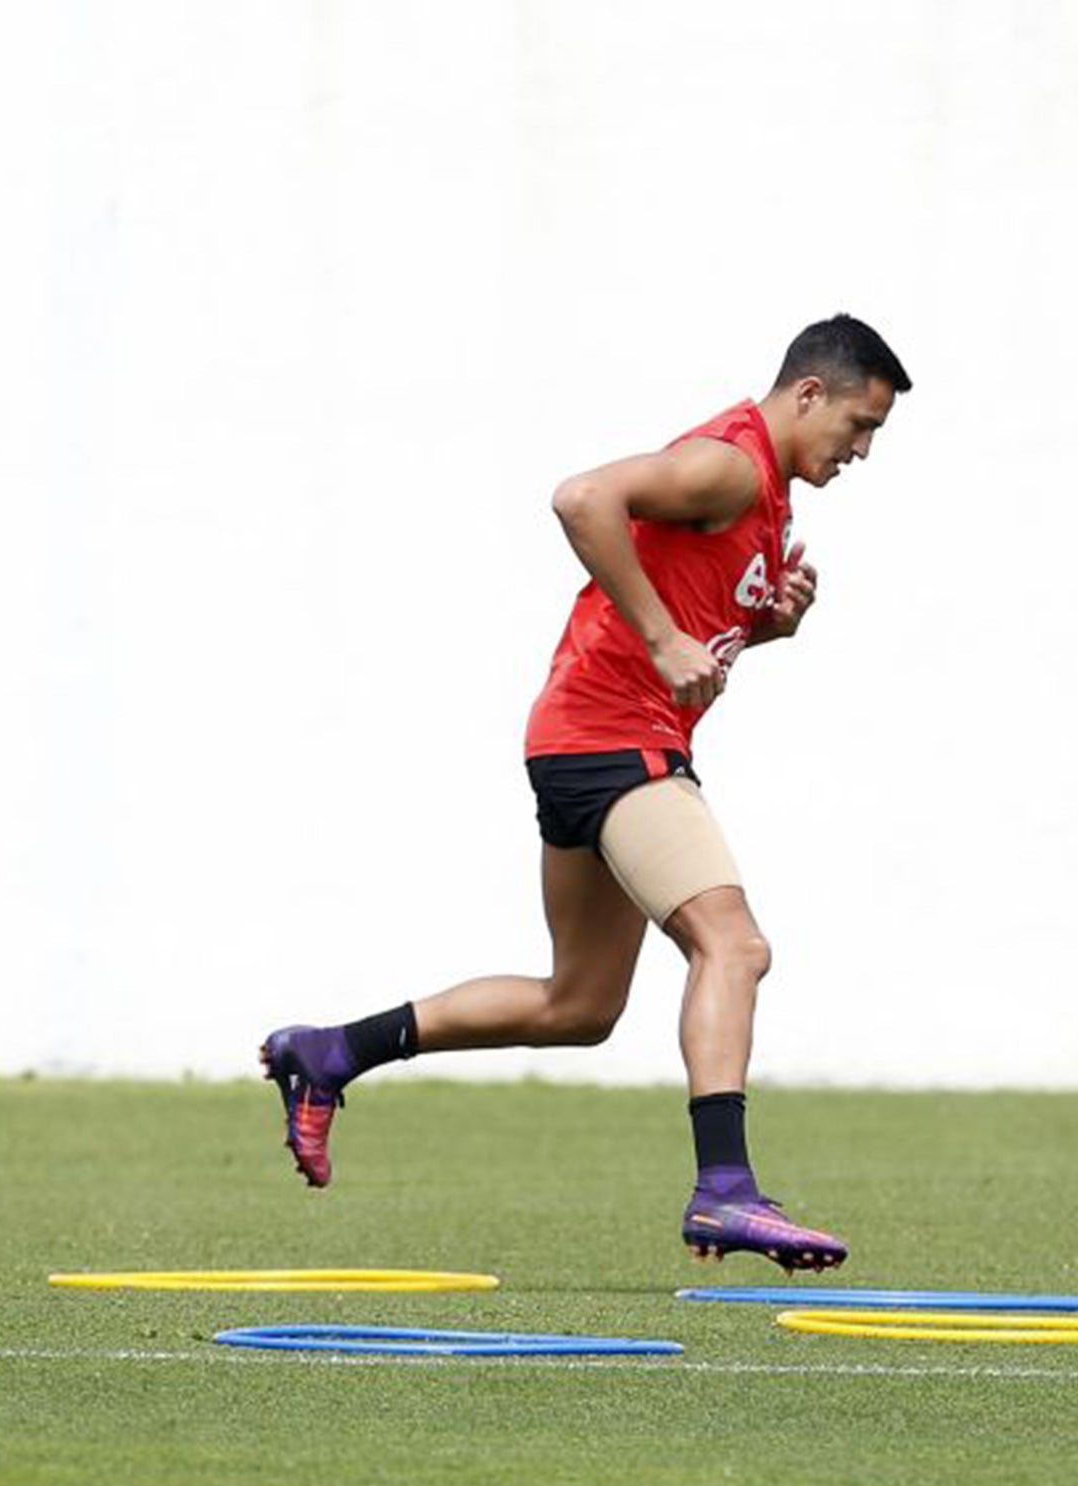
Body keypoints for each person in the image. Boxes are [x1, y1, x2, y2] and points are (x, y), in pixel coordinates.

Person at [262, 315, 910, 1272]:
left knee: (579, 1004)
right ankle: (726, 1189)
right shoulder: (730, 465)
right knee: (733, 944)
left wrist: (763, 626)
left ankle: (331, 1052)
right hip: (615, 741)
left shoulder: (762, 498)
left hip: (576, 742)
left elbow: (688, 619)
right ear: (808, 392)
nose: (859, 451)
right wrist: (659, 638)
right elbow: (582, 499)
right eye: (859, 425)